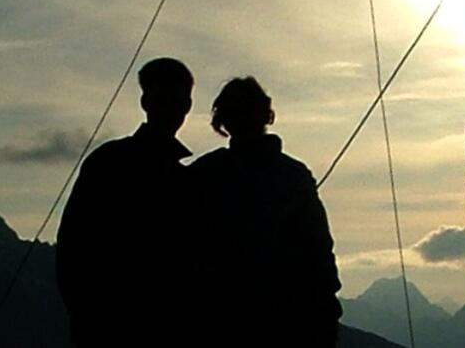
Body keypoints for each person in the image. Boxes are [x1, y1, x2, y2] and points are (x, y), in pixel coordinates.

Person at [189, 76, 342, 348]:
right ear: (266, 115)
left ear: (222, 122)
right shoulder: (293, 175)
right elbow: (319, 251)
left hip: (224, 321)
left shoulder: (204, 174)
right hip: (283, 321)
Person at [55, 57, 195, 348]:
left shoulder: (188, 180)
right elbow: (74, 242)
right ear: (146, 102)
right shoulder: (108, 163)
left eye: (178, 100)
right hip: (109, 324)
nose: (172, 108)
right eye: (164, 98)